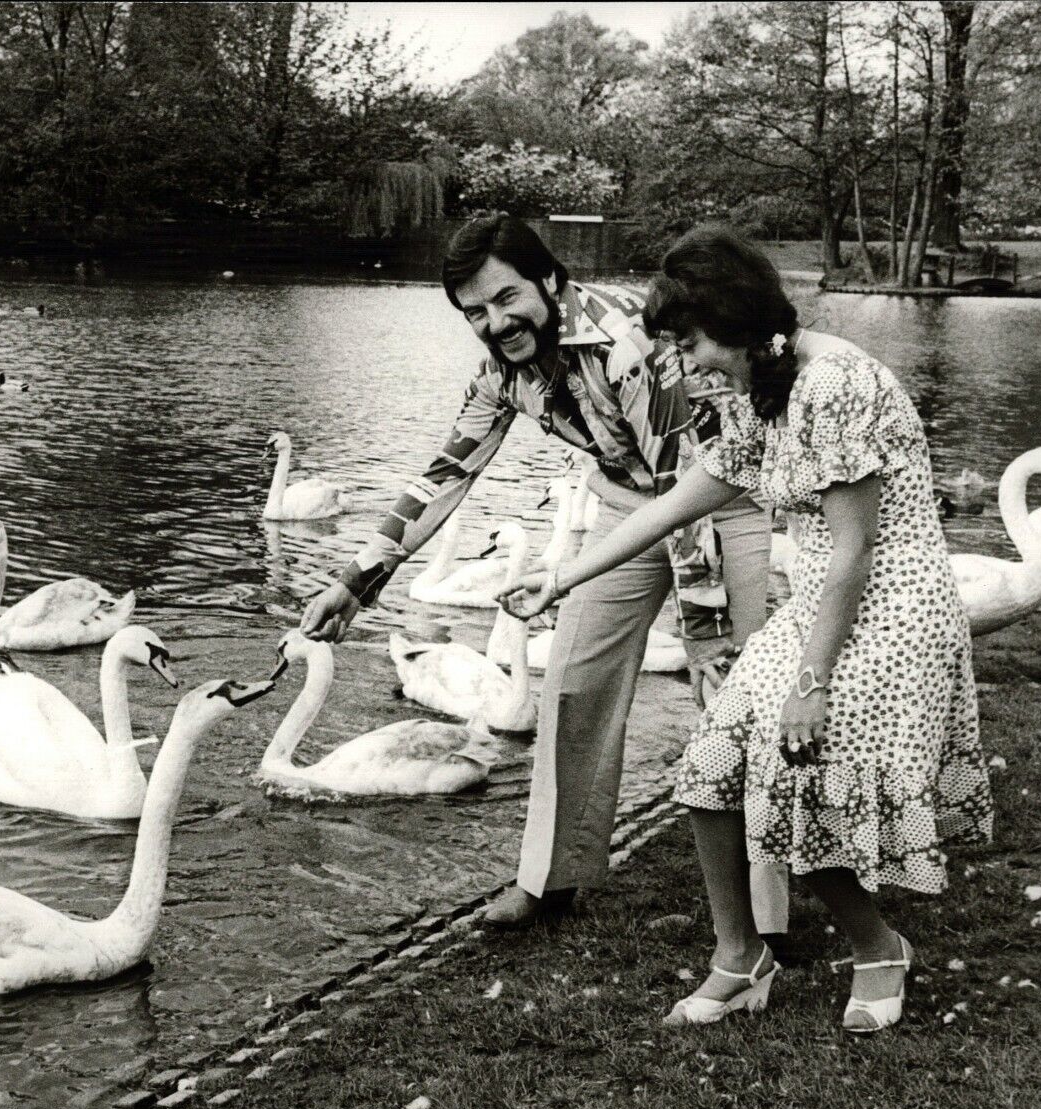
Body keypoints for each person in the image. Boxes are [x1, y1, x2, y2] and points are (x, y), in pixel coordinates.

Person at [500, 225, 989, 1032]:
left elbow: (857, 549)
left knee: (798, 760)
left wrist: (811, 683)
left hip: (895, 601)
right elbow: (680, 497)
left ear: (733, 317)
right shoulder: (763, 382)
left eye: (690, 341)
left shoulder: (831, 382)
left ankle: (879, 947)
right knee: (710, 760)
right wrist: (563, 576)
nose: (686, 362)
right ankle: (741, 954)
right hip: (828, 597)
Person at [299, 213, 775, 927]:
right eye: (475, 313)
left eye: (506, 298)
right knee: (573, 685)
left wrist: (705, 631)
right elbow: (446, 473)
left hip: (720, 500)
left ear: (550, 280)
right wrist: (355, 580)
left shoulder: (627, 345)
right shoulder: (500, 374)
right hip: (623, 505)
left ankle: (770, 908)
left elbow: (687, 490)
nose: (495, 322)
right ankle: (551, 881)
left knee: (739, 690)